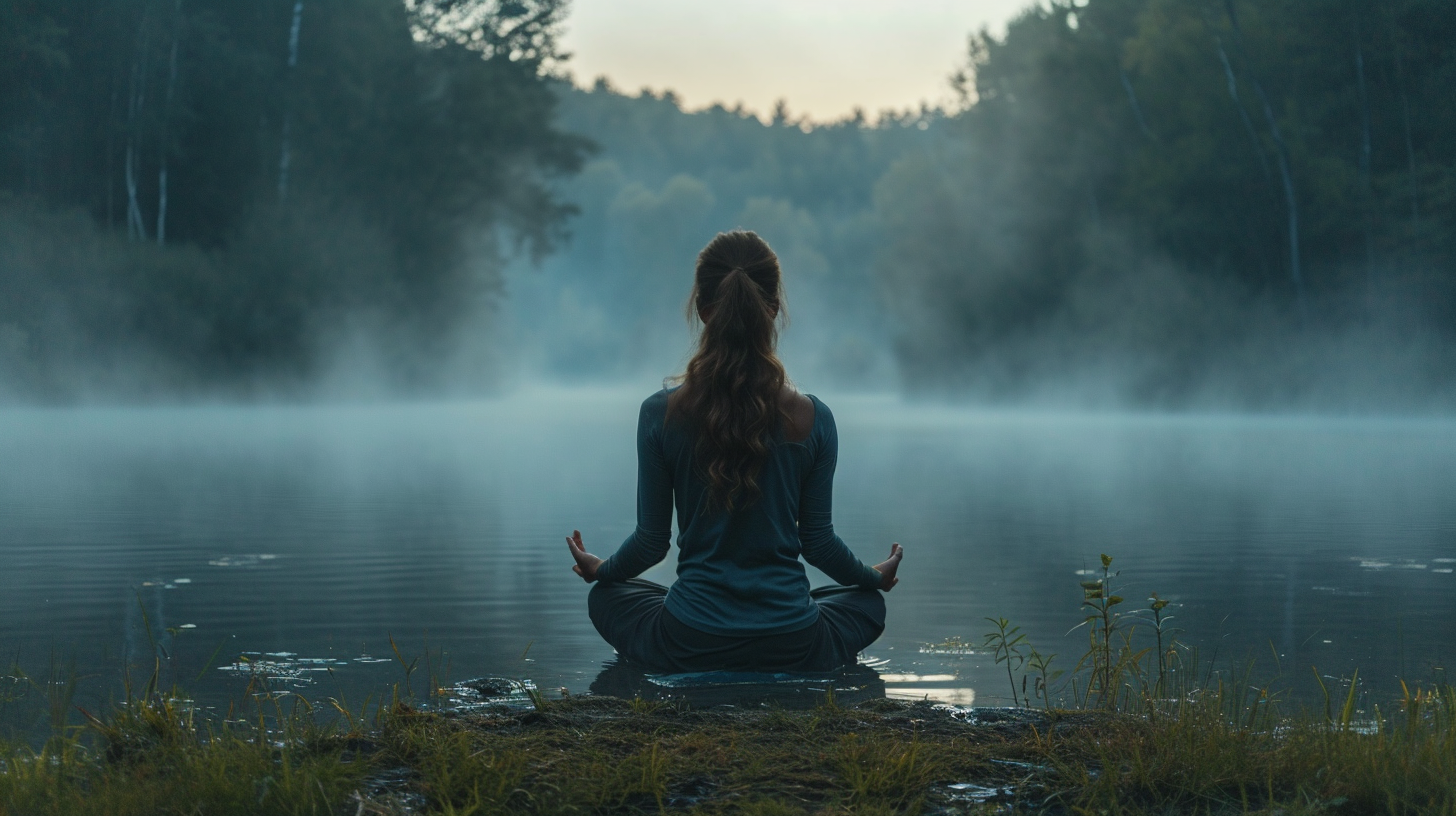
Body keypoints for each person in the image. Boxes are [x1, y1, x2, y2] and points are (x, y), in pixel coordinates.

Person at [566, 230, 903, 674]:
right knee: (863, 602)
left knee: (609, 596)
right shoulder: (814, 418)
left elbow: (651, 544)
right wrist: (872, 578)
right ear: (774, 310)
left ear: (703, 312)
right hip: (793, 641)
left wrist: (602, 569)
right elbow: (818, 544)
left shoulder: (659, 414)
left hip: (690, 640)